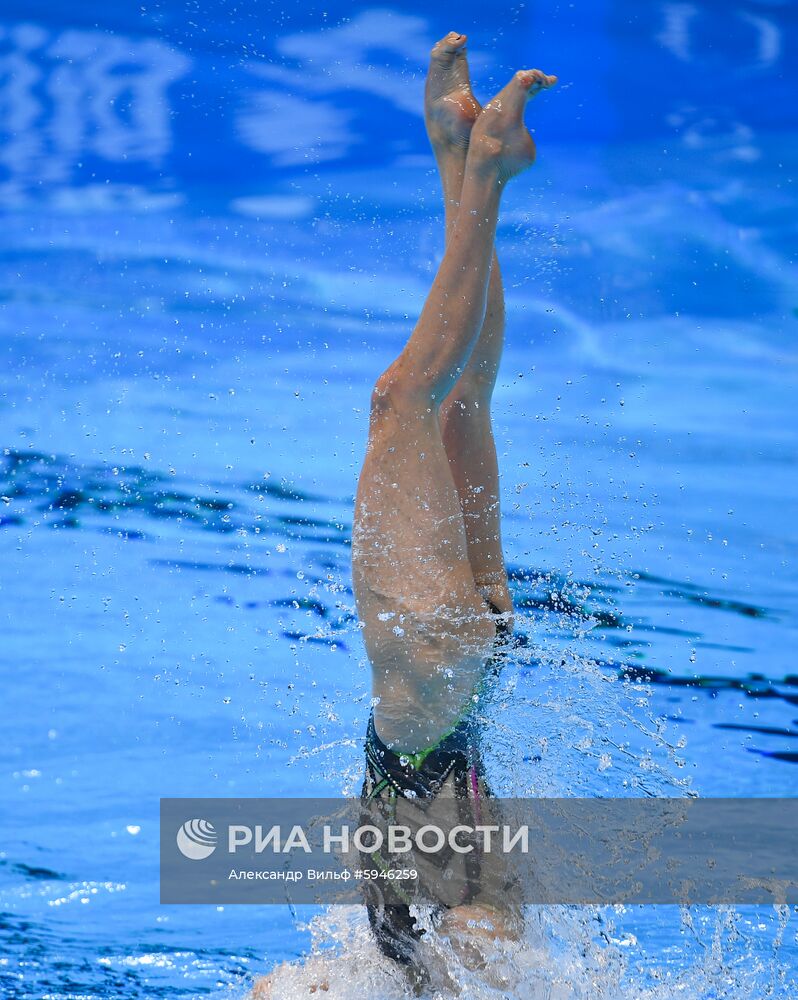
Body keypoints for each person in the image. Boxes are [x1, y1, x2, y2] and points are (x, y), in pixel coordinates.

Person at [254, 31, 555, 998]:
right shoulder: (453, 917)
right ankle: (483, 175)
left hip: (466, 677)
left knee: (458, 404)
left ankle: (459, 164)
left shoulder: (454, 916)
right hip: (427, 688)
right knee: (405, 402)